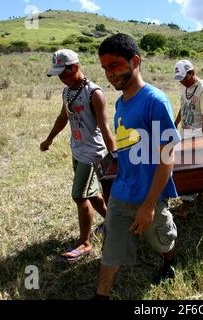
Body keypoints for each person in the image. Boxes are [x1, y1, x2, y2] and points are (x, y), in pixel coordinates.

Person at [94, 34, 181, 299]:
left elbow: (167, 157)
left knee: (162, 240)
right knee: (112, 246)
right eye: (105, 68)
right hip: (122, 192)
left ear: (135, 61)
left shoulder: (155, 101)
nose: (109, 74)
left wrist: (148, 205)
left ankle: (170, 261)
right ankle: (101, 296)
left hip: (149, 195)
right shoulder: (120, 102)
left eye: (115, 65)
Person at [40, 49, 116, 262]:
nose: (61, 79)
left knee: (79, 196)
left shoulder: (94, 93)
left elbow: (105, 127)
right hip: (77, 149)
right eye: (58, 76)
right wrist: (49, 139)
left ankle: (85, 242)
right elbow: (63, 117)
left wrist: (116, 156)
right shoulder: (67, 92)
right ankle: (115, 224)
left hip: (92, 154)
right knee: (92, 195)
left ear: (75, 67)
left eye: (63, 74)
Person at [173, 59, 203, 218]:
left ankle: (187, 204)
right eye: (180, 79)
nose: (182, 82)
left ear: (192, 72)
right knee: (194, 167)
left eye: (184, 77)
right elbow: (183, 108)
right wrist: (175, 123)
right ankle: (200, 193)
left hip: (197, 136)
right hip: (185, 134)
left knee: (188, 170)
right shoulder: (185, 88)